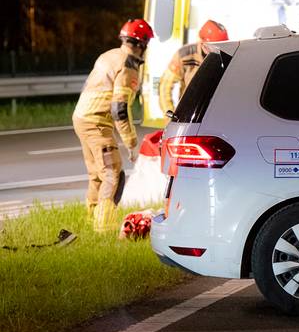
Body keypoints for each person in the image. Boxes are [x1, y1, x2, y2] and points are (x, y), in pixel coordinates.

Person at [73, 19, 153, 232]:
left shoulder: (107, 55)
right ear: (141, 44)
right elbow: (119, 108)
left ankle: (90, 219)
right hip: (96, 121)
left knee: (97, 174)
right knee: (113, 173)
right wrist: (131, 142)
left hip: (81, 116)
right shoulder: (128, 65)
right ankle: (104, 228)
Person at [158, 19, 228, 117]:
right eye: (215, 45)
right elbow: (165, 85)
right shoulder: (184, 55)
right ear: (203, 42)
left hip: (214, 115)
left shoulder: (227, 57)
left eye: (222, 45)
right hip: (189, 115)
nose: (219, 49)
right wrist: (170, 115)